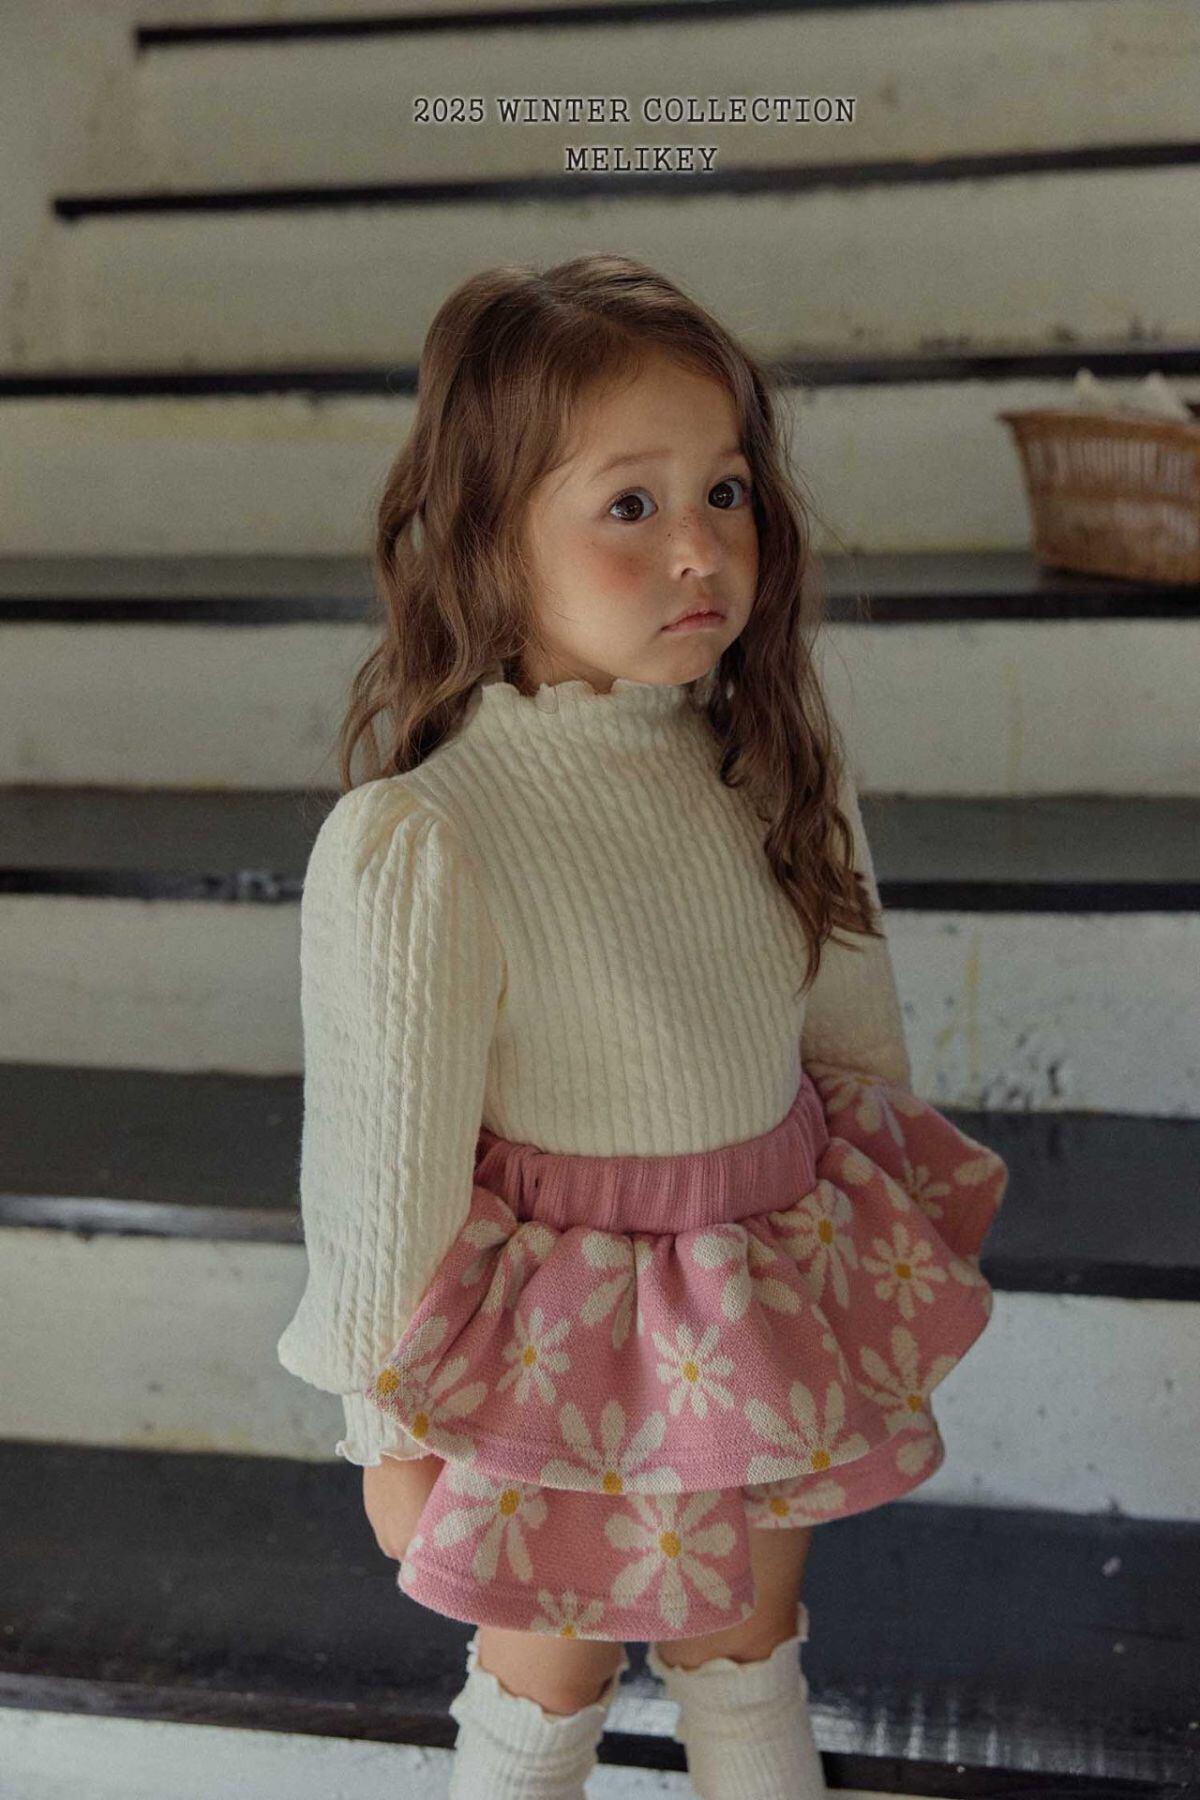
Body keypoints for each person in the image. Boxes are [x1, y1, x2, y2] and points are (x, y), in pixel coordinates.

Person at [276, 252, 1008, 1800]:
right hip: (568, 1345)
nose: (699, 546)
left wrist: (875, 1245)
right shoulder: (430, 839)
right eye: (631, 504)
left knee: (751, 1643)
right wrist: (378, 1418)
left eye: (725, 491)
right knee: (547, 1680)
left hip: (758, 1291)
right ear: (491, 540)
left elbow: (850, 1043)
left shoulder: (773, 764)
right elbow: (379, 1173)